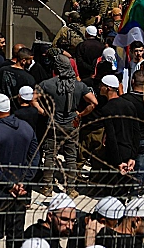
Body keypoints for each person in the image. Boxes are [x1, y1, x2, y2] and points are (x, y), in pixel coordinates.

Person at [37, 50, 98, 197]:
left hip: (53, 123)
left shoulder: (47, 84)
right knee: (71, 156)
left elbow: (33, 99)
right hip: (72, 124)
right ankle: (71, 189)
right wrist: (80, 114)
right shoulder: (79, 85)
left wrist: (43, 112)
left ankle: (47, 187)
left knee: (50, 155)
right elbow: (94, 102)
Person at [0, 93, 39, 241]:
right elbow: (35, 158)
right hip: (19, 193)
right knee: (15, 236)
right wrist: (22, 182)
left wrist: (9, 185)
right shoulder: (27, 128)